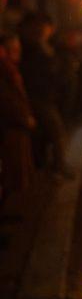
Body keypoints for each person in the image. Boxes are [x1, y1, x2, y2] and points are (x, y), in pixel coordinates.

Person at [18, 12, 71, 177]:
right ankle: (58, 167)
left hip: (49, 97)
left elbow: (58, 71)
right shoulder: (32, 48)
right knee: (57, 133)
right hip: (38, 98)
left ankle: (50, 166)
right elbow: (37, 73)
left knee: (47, 134)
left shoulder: (50, 47)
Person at [0, 32, 35, 196]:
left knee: (15, 171)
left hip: (17, 125)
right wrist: (23, 118)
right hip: (11, 126)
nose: (17, 52)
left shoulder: (11, 68)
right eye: (13, 49)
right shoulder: (4, 69)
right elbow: (7, 99)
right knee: (10, 169)